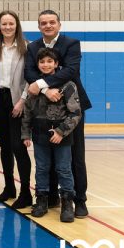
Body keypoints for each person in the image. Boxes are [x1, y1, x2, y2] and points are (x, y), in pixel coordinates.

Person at [24, 10, 91, 218]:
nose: (48, 26)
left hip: (71, 108)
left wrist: (43, 84)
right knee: (45, 158)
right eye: (43, 23)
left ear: (59, 25)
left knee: (74, 157)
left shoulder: (71, 43)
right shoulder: (33, 47)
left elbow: (70, 70)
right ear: (39, 26)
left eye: (52, 22)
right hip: (43, 111)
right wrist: (46, 90)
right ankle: (49, 197)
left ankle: (78, 200)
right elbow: (29, 73)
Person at [22, 48, 81, 223]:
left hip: (61, 135)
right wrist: (26, 134)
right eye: (42, 62)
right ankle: (41, 201)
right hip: (40, 134)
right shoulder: (33, 87)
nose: (46, 65)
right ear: (37, 65)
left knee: (63, 169)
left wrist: (61, 131)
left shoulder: (68, 85)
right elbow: (27, 113)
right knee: (41, 168)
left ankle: (67, 203)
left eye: (49, 61)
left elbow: (76, 113)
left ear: (56, 64)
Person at [0, 11, 32, 209]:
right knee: (4, 147)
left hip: (18, 100)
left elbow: (31, 77)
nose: (7, 27)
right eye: (3, 24)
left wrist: (22, 101)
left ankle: (26, 192)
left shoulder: (27, 48)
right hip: (0, 100)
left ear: (17, 25)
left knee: (18, 146)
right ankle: (9, 187)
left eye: (11, 23)